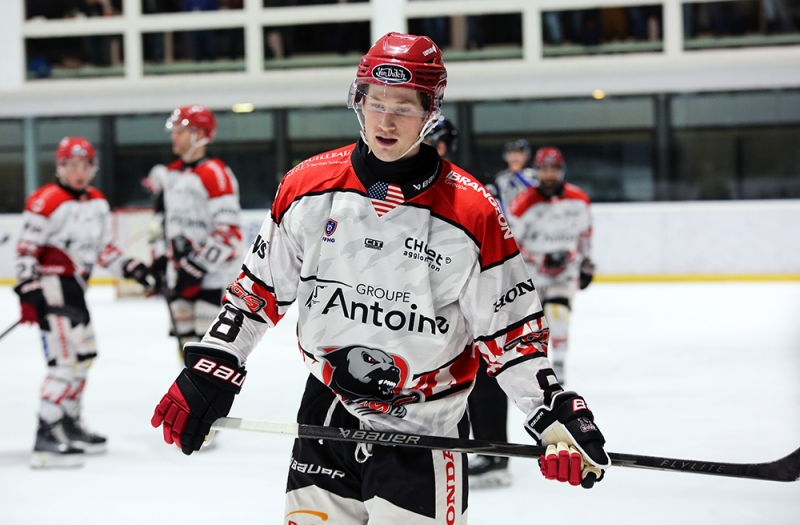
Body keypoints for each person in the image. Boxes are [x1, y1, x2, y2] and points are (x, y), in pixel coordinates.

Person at [151, 32, 610, 523]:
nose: (386, 120)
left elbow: (511, 333)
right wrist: (215, 361)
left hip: (425, 427)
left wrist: (553, 410)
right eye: (376, 101)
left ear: (430, 112)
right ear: (359, 100)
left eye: (405, 107)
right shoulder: (307, 187)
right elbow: (257, 290)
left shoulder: (473, 212)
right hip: (326, 418)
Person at [14, 137, 153, 468]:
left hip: (76, 290)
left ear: (93, 168)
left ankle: (68, 422)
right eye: (71, 166)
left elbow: (104, 250)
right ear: (60, 167)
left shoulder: (97, 202)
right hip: (51, 289)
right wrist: (28, 289)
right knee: (64, 363)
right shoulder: (45, 200)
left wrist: (132, 268)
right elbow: (25, 249)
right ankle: (46, 435)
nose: (78, 173)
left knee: (84, 358)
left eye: (84, 166)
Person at [466, 137, 539, 489]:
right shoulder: (498, 185)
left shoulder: (529, 184)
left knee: (487, 369)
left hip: (504, 274)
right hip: (489, 275)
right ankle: (488, 450)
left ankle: (494, 452)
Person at [148, 105, 243, 360]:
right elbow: (168, 226)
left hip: (211, 278)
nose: (174, 137)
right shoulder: (172, 174)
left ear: (199, 134)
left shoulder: (214, 173)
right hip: (180, 274)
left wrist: (198, 265)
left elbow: (230, 232)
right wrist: (161, 259)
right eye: (175, 131)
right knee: (186, 351)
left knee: (209, 353)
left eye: (181, 131)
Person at [508, 146, 595, 385]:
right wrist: (539, 259)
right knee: (532, 326)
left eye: (554, 169)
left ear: (562, 170)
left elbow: (585, 235)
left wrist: (587, 263)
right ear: (537, 171)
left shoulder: (578, 200)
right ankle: (536, 366)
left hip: (563, 274)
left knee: (558, 315)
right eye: (544, 170)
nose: (549, 175)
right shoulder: (522, 202)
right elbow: (511, 242)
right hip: (532, 274)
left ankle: (558, 364)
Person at [492, 138, 538, 217]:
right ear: (506, 156)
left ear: (526, 156)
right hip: (506, 221)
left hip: (530, 219)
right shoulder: (499, 178)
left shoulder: (534, 175)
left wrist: (519, 176)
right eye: (511, 153)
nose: (515, 157)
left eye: (519, 154)